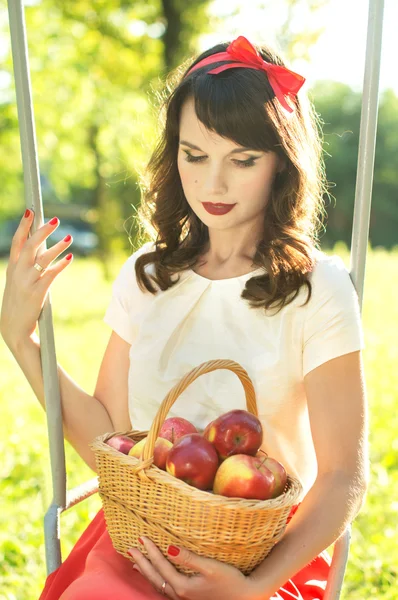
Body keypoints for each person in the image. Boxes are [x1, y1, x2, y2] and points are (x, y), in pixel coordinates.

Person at [0, 35, 368, 600]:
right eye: (194, 155)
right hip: (146, 540)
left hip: (263, 557)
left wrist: (251, 586)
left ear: (281, 164)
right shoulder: (148, 277)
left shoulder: (317, 289)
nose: (213, 184)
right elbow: (111, 442)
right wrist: (21, 339)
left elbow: (344, 475)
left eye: (242, 160)